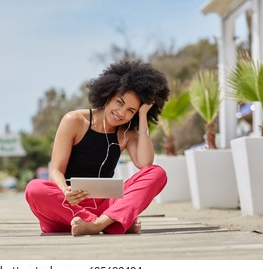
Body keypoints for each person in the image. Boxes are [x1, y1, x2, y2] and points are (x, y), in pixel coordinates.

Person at [25, 59, 170, 236]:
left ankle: (98, 224)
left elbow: (145, 164)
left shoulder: (127, 134)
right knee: (34, 189)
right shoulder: (75, 121)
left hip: (105, 205)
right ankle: (111, 222)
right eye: (120, 102)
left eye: (131, 110)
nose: (121, 113)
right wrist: (65, 191)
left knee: (157, 173)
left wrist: (142, 115)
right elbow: (55, 170)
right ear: (108, 95)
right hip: (67, 205)